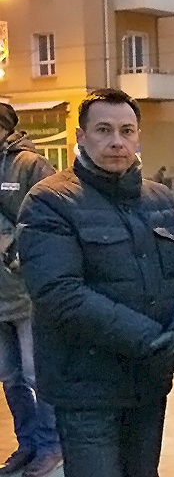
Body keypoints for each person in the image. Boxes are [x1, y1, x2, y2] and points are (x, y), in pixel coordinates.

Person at [17, 89, 174, 477]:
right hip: (85, 386)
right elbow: (60, 293)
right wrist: (152, 340)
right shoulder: (49, 201)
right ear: (81, 137)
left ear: (137, 137)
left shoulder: (157, 197)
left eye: (126, 130)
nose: (116, 141)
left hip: (147, 382)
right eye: (103, 130)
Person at [0, 103, 61, 477]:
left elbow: (53, 218)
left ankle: (52, 444)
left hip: (26, 293)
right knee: (9, 377)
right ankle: (28, 443)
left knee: (37, 374)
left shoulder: (30, 166)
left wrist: (12, 244)